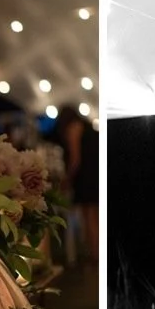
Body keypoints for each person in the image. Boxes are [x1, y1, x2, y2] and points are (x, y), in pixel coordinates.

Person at [55, 105, 99, 264]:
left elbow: (75, 159)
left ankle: (95, 255)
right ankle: (96, 253)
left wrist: (67, 179)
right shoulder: (87, 127)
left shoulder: (74, 129)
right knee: (94, 217)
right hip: (95, 174)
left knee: (90, 217)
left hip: (86, 179)